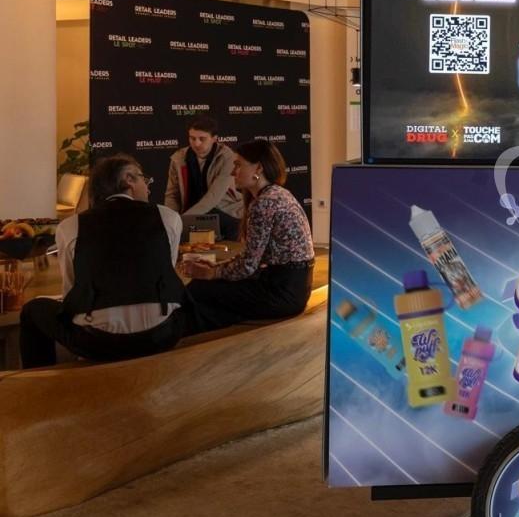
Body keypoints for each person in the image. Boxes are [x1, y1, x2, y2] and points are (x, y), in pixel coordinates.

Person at [19, 155, 187, 368]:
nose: (148, 186)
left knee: (33, 310)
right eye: (144, 179)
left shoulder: (71, 226)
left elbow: (72, 291)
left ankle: (40, 390)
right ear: (129, 180)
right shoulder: (169, 217)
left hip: (98, 342)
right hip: (162, 335)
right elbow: (167, 275)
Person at [184, 140, 314, 332]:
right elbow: (251, 260)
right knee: (211, 292)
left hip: (282, 292)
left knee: (199, 288)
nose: (232, 171)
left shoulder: (264, 203)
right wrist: (218, 268)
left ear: (258, 168)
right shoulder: (277, 194)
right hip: (292, 289)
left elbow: (248, 266)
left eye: (238, 165)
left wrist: (212, 272)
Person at [164, 115, 242, 240]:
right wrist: (170, 218)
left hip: (224, 212)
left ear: (214, 139)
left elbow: (213, 197)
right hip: (190, 212)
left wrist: (182, 220)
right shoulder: (178, 158)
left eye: (202, 139)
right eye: (192, 138)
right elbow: (172, 194)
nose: (196, 143)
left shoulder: (228, 157)